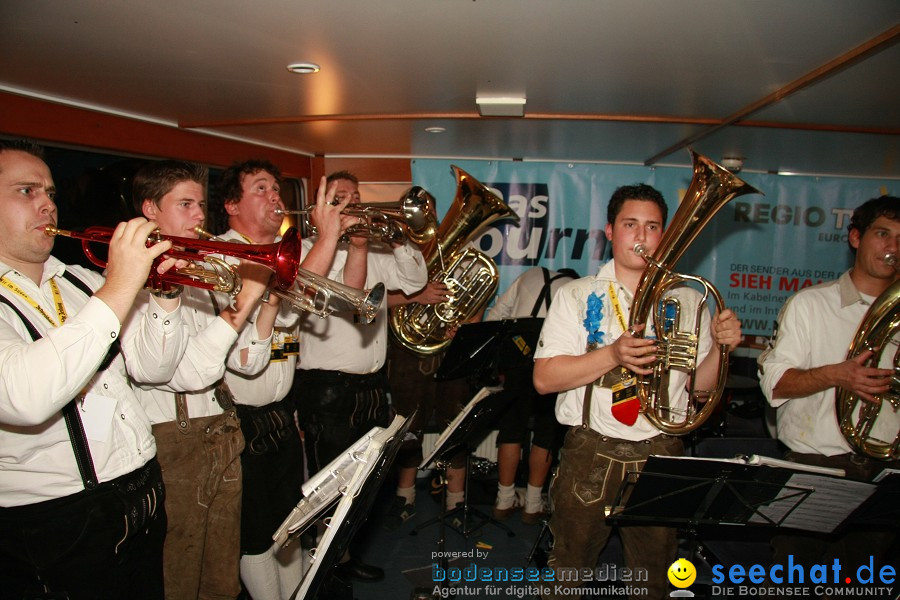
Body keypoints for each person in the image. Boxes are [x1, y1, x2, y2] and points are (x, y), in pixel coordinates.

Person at [532, 183, 742, 600]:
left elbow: (697, 390)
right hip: (591, 451)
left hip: (661, 449)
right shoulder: (576, 295)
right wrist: (612, 353)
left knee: (655, 575)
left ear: (664, 235)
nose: (641, 237)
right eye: (631, 225)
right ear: (610, 231)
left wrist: (721, 349)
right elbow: (545, 379)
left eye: (652, 227)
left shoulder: (689, 300)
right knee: (569, 573)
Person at [0, 140, 182, 598]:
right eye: (26, 191)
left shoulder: (82, 282)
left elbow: (154, 367)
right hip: (57, 520)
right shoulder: (105, 288)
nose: (47, 204)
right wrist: (121, 283)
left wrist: (165, 292)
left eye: (51, 192)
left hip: (139, 490)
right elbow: (26, 397)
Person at [125, 159, 278, 600]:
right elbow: (186, 374)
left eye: (200, 204)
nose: (199, 216)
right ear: (150, 208)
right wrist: (244, 301)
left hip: (222, 429)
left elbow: (246, 364)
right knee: (180, 573)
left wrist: (267, 305)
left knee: (221, 576)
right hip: (176, 438)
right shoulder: (131, 279)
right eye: (186, 204)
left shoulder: (204, 270)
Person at [214, 159, 356, 600]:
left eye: (277, 188)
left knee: (290, 522)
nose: (276, 197)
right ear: (232, 205)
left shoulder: (283, 248)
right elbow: (284, 303)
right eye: (262, 189)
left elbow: (290, 322)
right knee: (256, 533)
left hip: (279, 411)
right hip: (241, 420)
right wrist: (328, 235)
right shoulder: (220, 255)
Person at [293, 170, 428, 582]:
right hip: (328, 388)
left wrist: (400, 236)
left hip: (372, 384)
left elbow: (417, 280)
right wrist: (351, 244)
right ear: (321, 207)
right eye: (339, 197)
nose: (351, 204)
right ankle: (323, 566)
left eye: (355, 196)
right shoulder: (307, 251)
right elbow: (342, 302)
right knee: (328, 481)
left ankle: (345, 554)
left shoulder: (379, 251)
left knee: (363, 481)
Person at [757, 195, 899, 578]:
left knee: (860, 585)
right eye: (882, 234)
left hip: (885, 472)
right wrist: (837, 375)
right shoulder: (811, 305)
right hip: (817, 468)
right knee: (793, 583)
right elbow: (775, 382)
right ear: (855, 238)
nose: (893, 248)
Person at [484, 266, 578, 524]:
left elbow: (496, 315)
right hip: (553, 363)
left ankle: (504, 500)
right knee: (546, 434)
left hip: (517, 360)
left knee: (511, 428)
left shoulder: (531, 274)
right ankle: (534, 505)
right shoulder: (575, 288)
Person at [383, 281, 472, 530]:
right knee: (408, 427)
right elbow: (385, 300)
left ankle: (456, 501)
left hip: (452, 352)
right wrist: (417, 296)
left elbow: (475, 311)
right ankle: (405, 497)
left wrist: (464, 329)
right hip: (408, 349)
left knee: (455, 424)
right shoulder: (404, 258)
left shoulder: (470, 263)